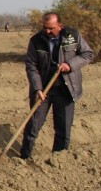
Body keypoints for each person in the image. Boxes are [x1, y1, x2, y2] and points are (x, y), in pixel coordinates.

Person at [20, 12, 94, 159]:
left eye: (51, 28)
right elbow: (31, 65)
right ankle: (24, 157)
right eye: (44, 27)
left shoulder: (73, 36)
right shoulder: (36, 41)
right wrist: (38, 88)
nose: (47, 31)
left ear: (60, 26)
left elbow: (88, 54)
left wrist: (70, 65)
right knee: (33, 125)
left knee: (63, 128)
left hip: (66, 89)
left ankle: (58, 158)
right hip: (44, 90)